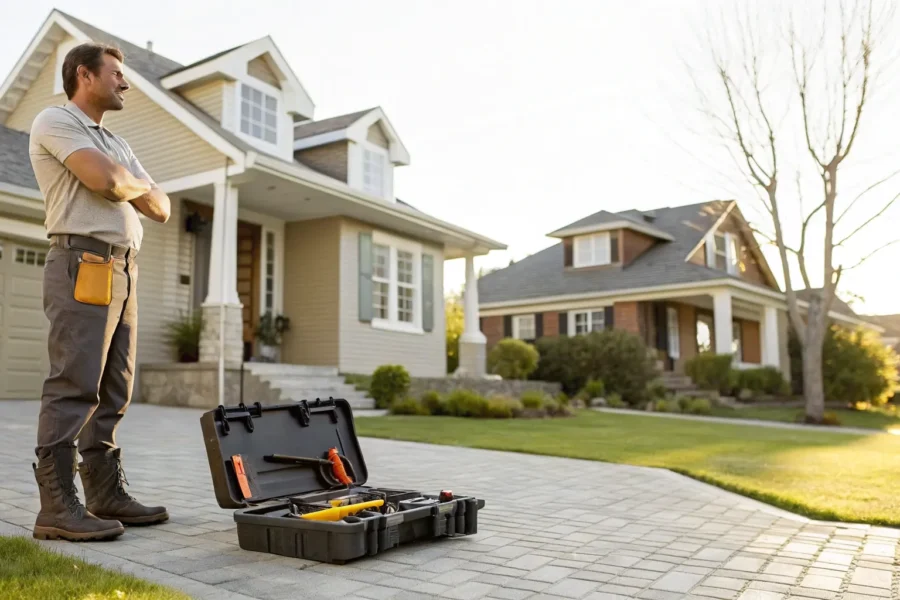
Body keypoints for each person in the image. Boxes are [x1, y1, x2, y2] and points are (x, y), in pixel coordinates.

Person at [28, 42, 172, 541]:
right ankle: (56, 507)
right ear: (84, 76)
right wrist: (128, 182)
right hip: (84, 263)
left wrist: (122, 180)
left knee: (115, 388)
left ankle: (105, 493)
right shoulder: (55, 120)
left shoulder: (117, 142)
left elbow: (163, 207)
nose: (125, 82)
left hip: (124, 270)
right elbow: (107, 182)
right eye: (116, 74)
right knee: (75, 384)